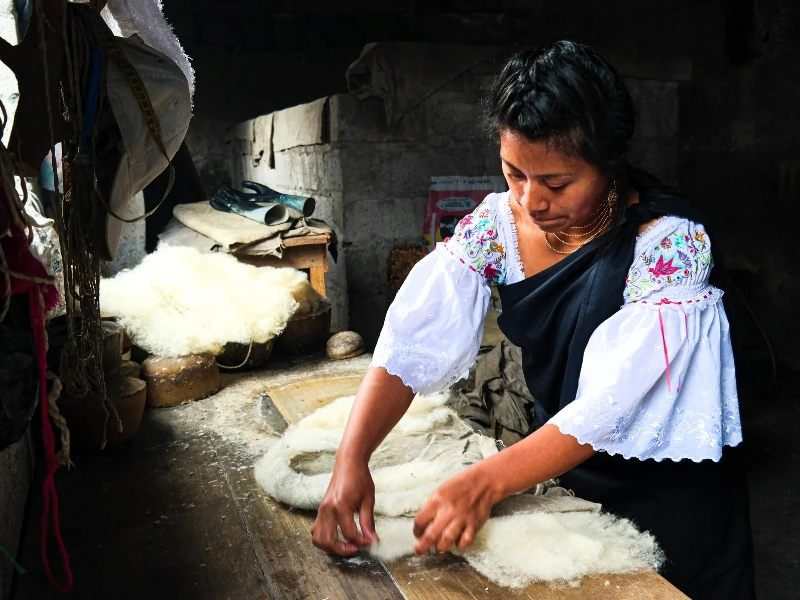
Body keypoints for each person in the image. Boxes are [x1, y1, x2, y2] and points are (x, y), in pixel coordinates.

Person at [311, 41, 755, 599]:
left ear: (608, 162)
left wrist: (486, 481)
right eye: (513, 173)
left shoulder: (669, 244)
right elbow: (410, 343)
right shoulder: (499, 226)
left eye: (557, 183)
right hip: (561, 470)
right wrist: (352, 459)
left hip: (672, 492)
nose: (531, 199)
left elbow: (613, 404)